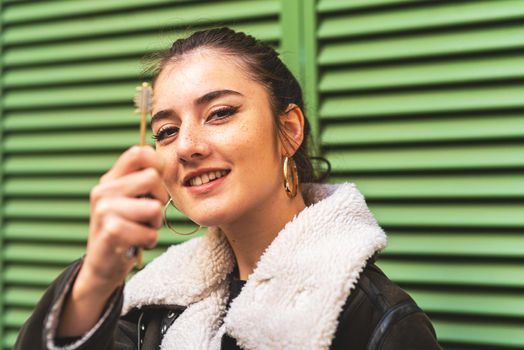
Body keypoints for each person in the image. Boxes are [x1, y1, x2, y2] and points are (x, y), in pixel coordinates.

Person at [14, 27, 442, 350]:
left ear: (289, 130)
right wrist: (97, 278)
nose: (186, 147)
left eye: (219, 113)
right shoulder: (150, 309)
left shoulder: (379, 323)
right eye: (165, 130)